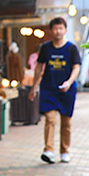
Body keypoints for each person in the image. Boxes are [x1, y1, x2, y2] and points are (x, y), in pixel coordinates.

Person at [29, 17, 81, 164]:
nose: (58, 31)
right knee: (50, 119)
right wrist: (34, 87)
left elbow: (77, 67)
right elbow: (39, 67)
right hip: (49, 89)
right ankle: (49, 150)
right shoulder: (46, 48)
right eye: (55, 28)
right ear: (51, 31)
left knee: (66, 123)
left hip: (67, 91)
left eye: (61, 28)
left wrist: (69, 82)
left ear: (65, 30)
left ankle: (65, 151)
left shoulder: (71, 48)